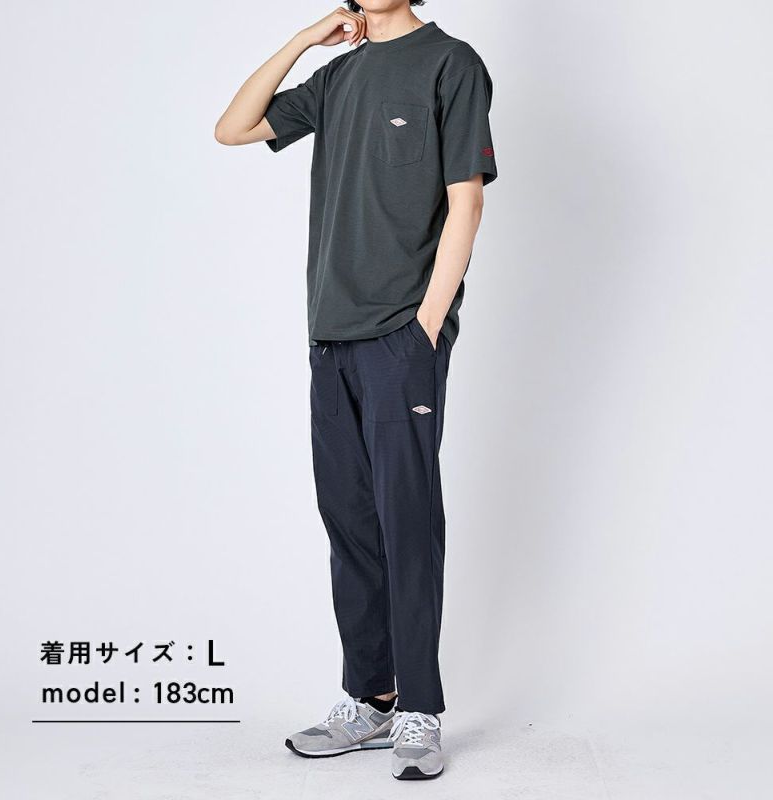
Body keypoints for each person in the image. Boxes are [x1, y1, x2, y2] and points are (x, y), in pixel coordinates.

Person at [215, 0, 497, 781]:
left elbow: (467, 200)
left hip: (401, 336)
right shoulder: (338, 76)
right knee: (351, 521)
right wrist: (304, 40)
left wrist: (426, 325)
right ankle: (370, 697)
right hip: (330, 334)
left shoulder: (451, 63)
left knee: (407, 520)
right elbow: (233, 129)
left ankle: (419, 710)